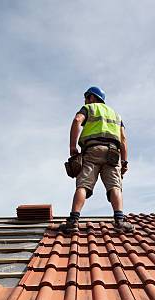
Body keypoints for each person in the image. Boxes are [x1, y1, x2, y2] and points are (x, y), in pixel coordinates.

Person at [60, 86, 134, 233]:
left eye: (87, 98)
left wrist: (72, 147)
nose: (85, 101)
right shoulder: (116, 115)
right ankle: (119, 221)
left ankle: (73, 221)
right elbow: (123, 139)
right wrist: (124, 161)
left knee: (83, 184)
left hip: (92, 151)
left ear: (92, 97)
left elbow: (76, 121)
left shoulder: (89, 108)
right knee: (115, 186)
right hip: (113, 154)